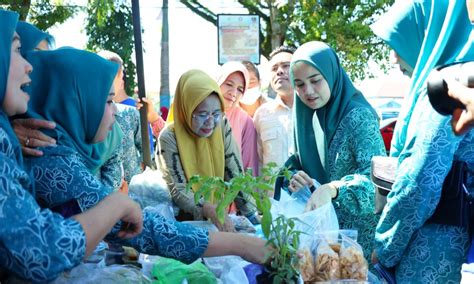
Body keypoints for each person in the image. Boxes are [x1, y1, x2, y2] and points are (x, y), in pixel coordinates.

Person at [23, 48, 268, 267]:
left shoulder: (59, 148)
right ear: (74, 103)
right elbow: (145, 228)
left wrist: (251, 224)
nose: (116, 110)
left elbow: (236, 176)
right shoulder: (49, 160)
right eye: (108, 101)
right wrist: (241, 245)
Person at [0, 9, 143, 282]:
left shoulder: (20, 139)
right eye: (21, 52)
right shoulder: (44, 153)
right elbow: (39, 251)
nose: (33, 66)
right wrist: (117, 205)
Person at [370, 0, 474, 282]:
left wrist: (383, 247)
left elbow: (418, 184)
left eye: (398, 42)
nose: (393, 57)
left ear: (428, 32)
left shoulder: (447, 86)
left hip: (431, 256)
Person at [279, 41, 386, 263]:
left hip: (357, 243)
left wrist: (333, 189)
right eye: (299, 84)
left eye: (315, 80)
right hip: (320, 239)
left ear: (331, 74)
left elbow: (377, 182)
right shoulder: (305, 118)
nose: (308, 91)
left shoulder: (359, 116)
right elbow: (300, 166)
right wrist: (297, 179)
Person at [158, 69, 258, 232]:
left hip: (219, 219)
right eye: (202, 114)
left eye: (216, 113)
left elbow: (235, 173)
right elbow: (179, 188)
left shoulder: (222, 126)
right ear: (186, 109)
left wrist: (252, 214)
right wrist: (208, 208)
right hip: (183, 223)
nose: (210, 123)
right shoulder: (170, 137)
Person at [98, 50, 143, 183]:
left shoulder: (130, 113)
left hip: (132, 191)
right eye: (121, 77)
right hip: (109, 195)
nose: (122, 82)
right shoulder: (91, 117)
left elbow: (145, 151)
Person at [253, 46, 295, 171]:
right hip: (271, 190)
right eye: (274, 68)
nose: (279, 71)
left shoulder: (314, 110)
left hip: (312, 190)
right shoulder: (262, 114)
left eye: (286, 66)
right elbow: (258, 161)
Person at [216, 61, 260, 176]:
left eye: (240, 89)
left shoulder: (245, 121)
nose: (233, 93)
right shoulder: (200, 113)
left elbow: (249, 167)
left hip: (231, 190)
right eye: (229, 84)